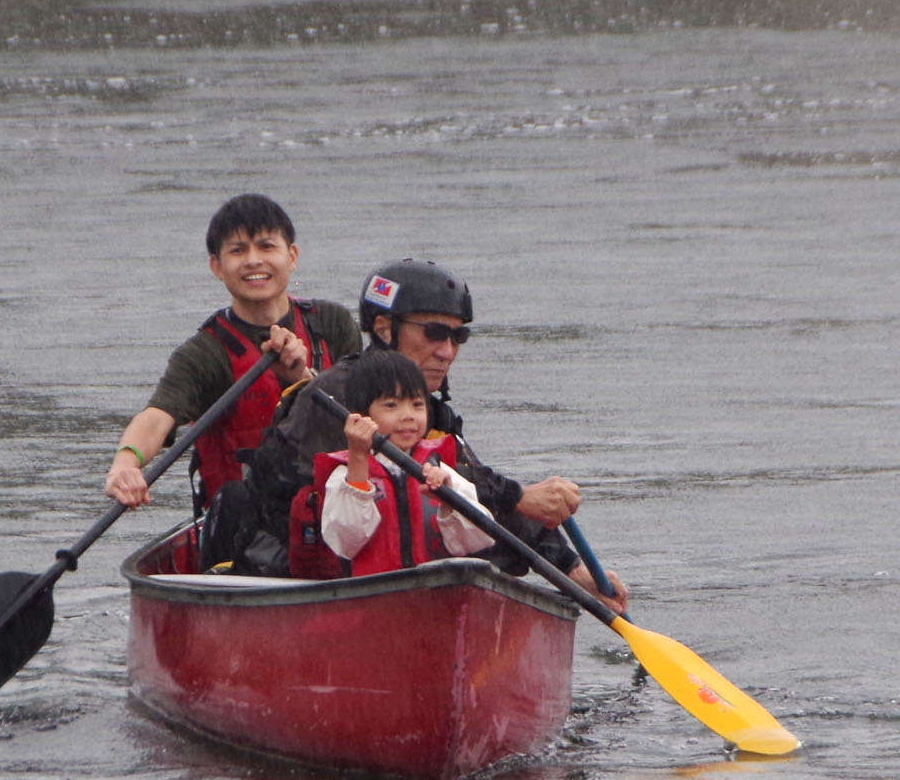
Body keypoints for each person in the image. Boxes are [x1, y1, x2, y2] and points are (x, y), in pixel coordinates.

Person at [246, 258, 627, 605]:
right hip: (296, 577)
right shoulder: (339, 397)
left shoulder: (423, 409)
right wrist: (518, 494)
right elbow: (485, 489)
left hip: (398, 584)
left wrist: (574, 571)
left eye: (457, 337)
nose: (447, 351)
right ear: (383, 329)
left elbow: (472, 484)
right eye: (434, 333)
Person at [101, 194, 361, 562]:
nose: (254, 260)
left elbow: (371, 410)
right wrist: (125, 465)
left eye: (266, 246)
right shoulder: (206, 352)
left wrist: (302, 379)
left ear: (292, 256)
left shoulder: (331, 325)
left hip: (344, 515)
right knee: (238, 499)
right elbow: (158, 416)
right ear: (217, 266)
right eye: (238, 250)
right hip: (247, 534)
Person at [306, 352, 498, 574]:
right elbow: (345, 543)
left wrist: (448, 500)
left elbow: (479, 539)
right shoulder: (345, 475)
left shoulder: (439, 469)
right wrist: (358, 458)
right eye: (391, 405)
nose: (408, 415)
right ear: (361, 415)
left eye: (417, 404)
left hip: (434, 594)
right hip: (374, 597)